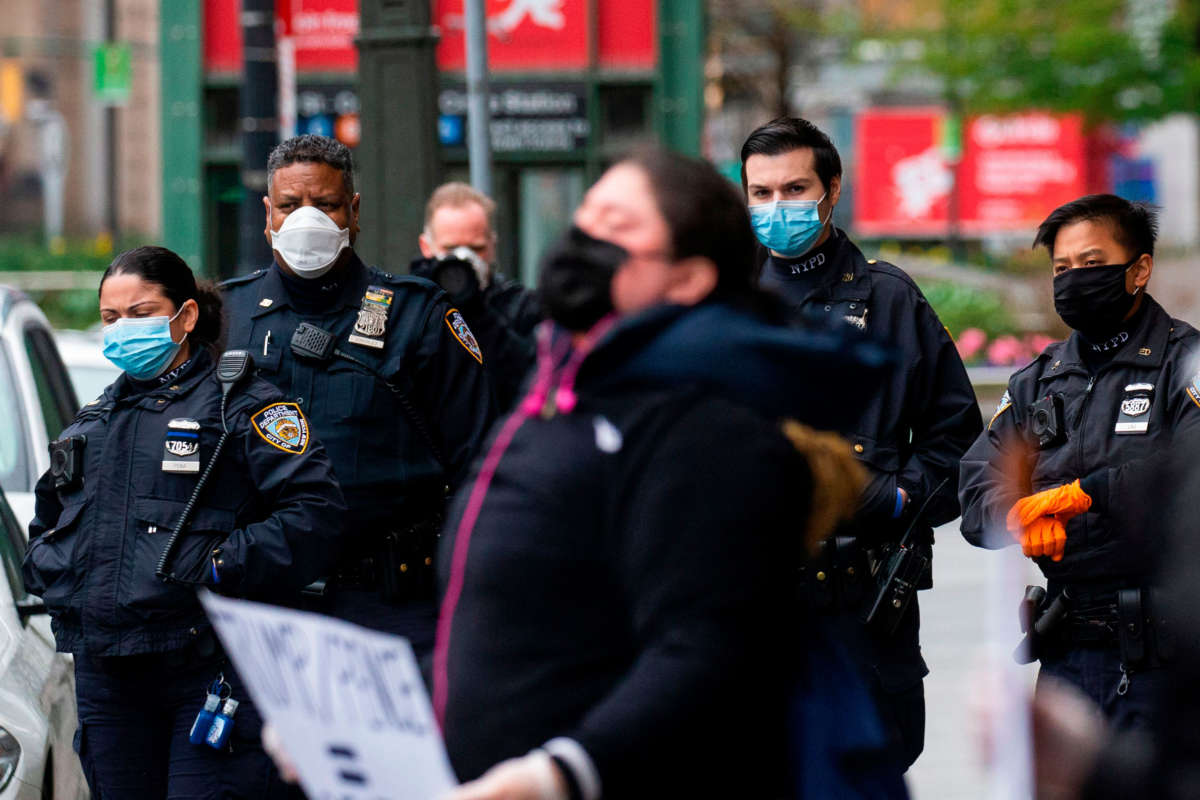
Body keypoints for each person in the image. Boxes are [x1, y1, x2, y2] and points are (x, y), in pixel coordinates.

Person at [432, 149, 900, 800]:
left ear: (686, 280)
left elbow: (707, 648)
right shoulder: (569, 391)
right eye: (585, 217)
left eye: (617, 227)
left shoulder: (708, 427)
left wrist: (562, 773)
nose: (582, 242)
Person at [22, 246, 345, 798]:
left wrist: (220, 562)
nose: (124, 329)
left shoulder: (242, 407)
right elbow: (46, 526)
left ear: (186, 316)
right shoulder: (90, 424)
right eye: (110, 318)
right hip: (108, 678)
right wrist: (57, 573)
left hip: (205, 671)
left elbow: (316, 510)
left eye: (141, 313)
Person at [740, 116, 983, 770]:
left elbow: (959, 442)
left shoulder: (889, 299)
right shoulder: (720, 300)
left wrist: (897, 498)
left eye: (794, 188)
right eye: (760, 193)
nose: (776, 207)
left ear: (832, 188)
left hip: (862, 604)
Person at [221, 135, 498, 656]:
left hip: (388, 603)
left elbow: (479, 468)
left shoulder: (419, 316)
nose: (308, 219)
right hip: (259, 606)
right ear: (267, 215)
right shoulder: (227, 316)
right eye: (289, 205)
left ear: (353, 210)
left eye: (324, 204)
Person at [959, 194, 1200, 730]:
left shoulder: (1184, 364)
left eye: (1091, 265)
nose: (1074, 280)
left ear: (1139, 269)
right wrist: (1016, 513)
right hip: (1068, 655)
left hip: (1171, 652)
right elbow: (976, 488)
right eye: (1062, 269)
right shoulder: (1037, 382)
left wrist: (1090, 492)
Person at [410, 182, 541, 410]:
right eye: (451, 249)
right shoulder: (409, 305)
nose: (464, 258)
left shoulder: (522, 306)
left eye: (476, 248)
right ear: (426, 246)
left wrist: (479, 312)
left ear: (493, 245)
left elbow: (532, 381)